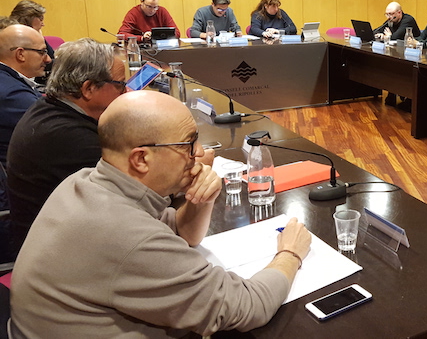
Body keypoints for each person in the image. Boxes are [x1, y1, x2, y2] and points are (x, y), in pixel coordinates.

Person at [10, 91, 312, 337]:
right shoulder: (127, 236)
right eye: (188, 144)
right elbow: (247, 307)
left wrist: (202, 198)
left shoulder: (84, 182)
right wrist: (289, 254)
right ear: (141, 159)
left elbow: (181, 233)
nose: (200, 153)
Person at [6, 38, 126, 254]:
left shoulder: (50, 107)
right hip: (59, 254)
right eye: (120, 85)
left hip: (59, 237)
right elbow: (135, 196)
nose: (126, 93)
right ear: (89, 88)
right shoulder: (70, 139)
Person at [0, 24, 50, 167]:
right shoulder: (12, 93)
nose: (48, 59)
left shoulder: (8, 80)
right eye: (42, 52)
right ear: (20, 54)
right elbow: (53, 127)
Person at [10, 0, 55, 82]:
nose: (43, 24)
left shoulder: (36, 35)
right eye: (40, 19)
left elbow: (51, 58)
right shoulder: (11, 41)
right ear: (28, 19)